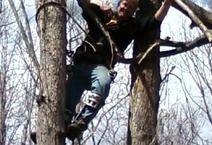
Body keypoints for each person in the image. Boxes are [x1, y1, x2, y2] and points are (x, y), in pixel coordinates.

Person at [66, 0, 174, 140]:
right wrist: (99, 5)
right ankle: (56, 126)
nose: (126, 8)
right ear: (118, 4)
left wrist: (167, 4)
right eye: (124, 4)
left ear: (134, 12)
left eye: (131, 7)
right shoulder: (103, 15)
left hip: (99, 67)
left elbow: (155, 21)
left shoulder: (132, 26)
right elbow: (83, 2)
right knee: (65, 105)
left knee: (103, 83)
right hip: (80, 66)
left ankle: (80, 124)